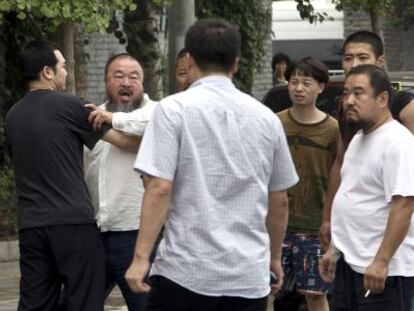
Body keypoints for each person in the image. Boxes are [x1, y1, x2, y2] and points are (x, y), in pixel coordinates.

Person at [124, 18, 299, 311]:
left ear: (189, 60)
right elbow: (279, 198)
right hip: (248, 275)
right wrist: (273, 257)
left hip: (185, 272)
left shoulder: (172, 110)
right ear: (236, 64)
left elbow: (159, 187)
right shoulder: (267, 118)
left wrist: (141, 258)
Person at [5, 41, 139, 311]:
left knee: (34, 303)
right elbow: (125, 142)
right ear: (47, 72)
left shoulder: (12, 116)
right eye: (63, 66)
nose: (65, 72)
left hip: (31, 226)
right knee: (84, 300)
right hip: (73, 224)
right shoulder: (72, 105)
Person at [319, 64, 414, 310]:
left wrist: (381, 262)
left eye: (358, 93)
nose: (349, 101)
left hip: (385, 274)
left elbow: (404, 205)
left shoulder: (398, 143)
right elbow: (352, 197)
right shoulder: (359, 138)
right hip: (350, 267)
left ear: (382, 98)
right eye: (346, 93)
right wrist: (335, 250)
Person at [319, 30, 414, 251]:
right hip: (354, 241)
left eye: (363, 57)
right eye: (348, 58)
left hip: (395, 244)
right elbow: (340, 163)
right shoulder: (347, 108)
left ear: (380, 62)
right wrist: (327, 217)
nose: (354, 64)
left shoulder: (404, 106)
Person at [83, 53, 158, 310]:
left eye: (133, 77)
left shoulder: (157, 112)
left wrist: (111, 119)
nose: (126, 82)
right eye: (118, 76)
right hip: (96, 236)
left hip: (139, 237)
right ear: (106, 82)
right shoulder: (92, 118)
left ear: (143, 82)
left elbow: (150, 125)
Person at [274, 57, 338, 311]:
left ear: (321, 87)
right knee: (266, 292)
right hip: (275, 225)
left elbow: (340, 176)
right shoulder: (274, 122)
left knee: (315, 295)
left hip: (315, 227)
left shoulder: (333, 129)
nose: (298, 88)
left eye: (306, 83)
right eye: (293, 82)